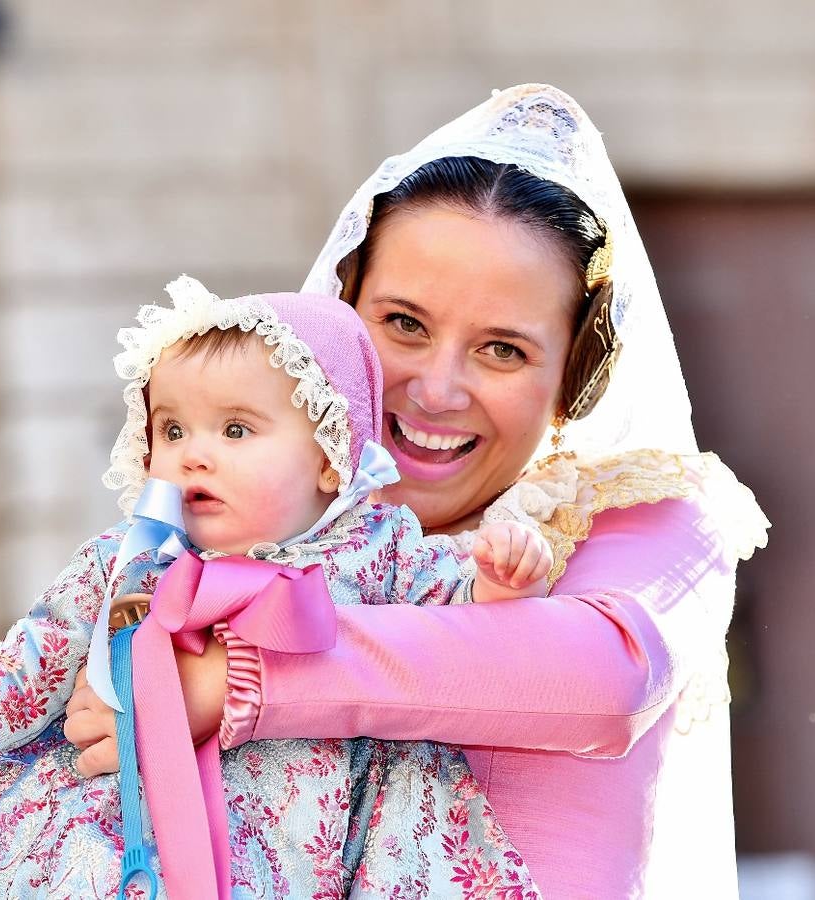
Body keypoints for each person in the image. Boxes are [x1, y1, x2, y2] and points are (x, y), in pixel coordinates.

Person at [66, 83, 771, 898]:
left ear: (571, 381)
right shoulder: (252, 520)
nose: (436, 390)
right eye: (403, 324)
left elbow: (606, 678)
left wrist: (241, 681)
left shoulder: (643, 512)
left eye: (502, 349)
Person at [0, 278, 553, 898]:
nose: (194, 452)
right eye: (171, 428)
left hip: (317, 835)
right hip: (128, 826)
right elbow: (27, 663)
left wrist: (497, 580)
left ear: (328, 458)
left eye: (235, 429)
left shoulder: (378, 553)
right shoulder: (132, 563)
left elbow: (455, 645)